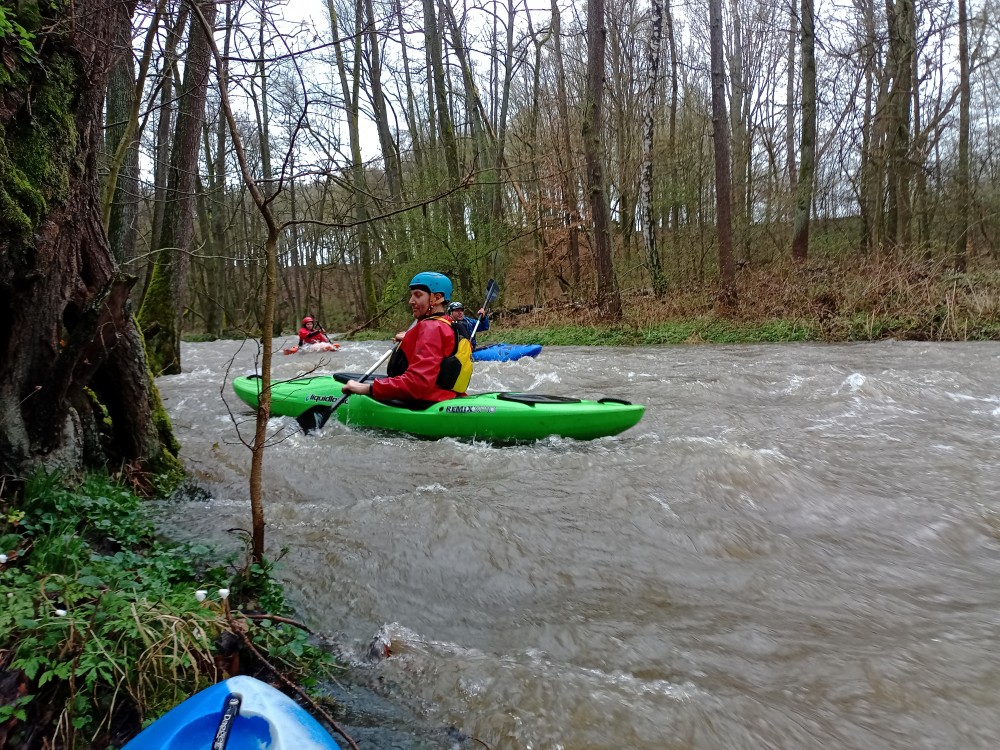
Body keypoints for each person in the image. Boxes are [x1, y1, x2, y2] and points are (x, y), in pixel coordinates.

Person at [341, 272, 473, 403]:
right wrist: (410, 338)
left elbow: (418, 384)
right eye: (412, 295)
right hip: (444, 394)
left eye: (418, 295)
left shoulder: (431, 328)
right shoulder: (446, 322)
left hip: (425, 399)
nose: (411, 301)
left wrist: (367, 388)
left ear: (437, 298)